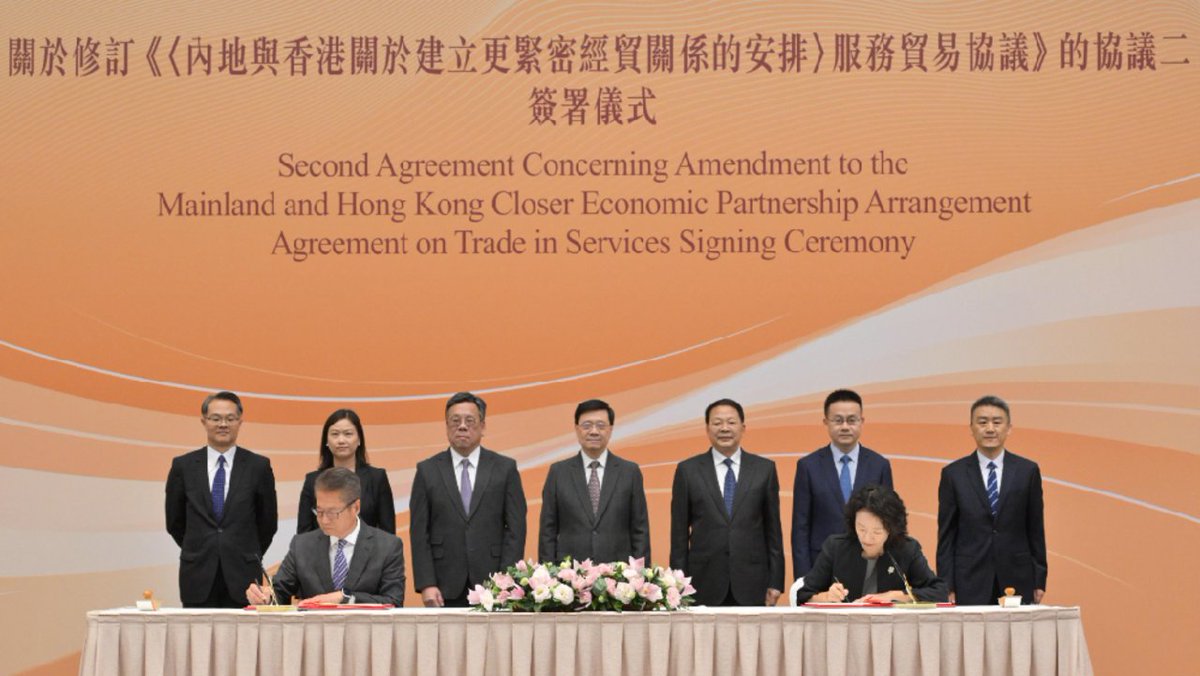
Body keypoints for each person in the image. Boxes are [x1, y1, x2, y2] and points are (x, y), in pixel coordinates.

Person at [409, 392, 527, 607]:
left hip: (493, 582)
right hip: (443, 585)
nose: (462, 426)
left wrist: (507, 579)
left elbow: (516, 529)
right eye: (455, 421)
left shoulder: (504, 468)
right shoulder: (427, 471)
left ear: (483, 426)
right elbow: (419, 532)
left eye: (469, 421)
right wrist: (427, 583)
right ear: (446, 426)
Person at [165, 391, 278, 607]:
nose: (223, 424)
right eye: (216, 418)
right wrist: (201, 548)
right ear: (204, 421)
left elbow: (267, 523)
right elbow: (175, 522)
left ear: (240, 422)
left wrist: (244, 551)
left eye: (230, 418)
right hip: (197, 574)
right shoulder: (183, 466)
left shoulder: (258, 466)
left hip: (244, 575)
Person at [670, 398, 785, 606]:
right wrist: (677, 583)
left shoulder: (764, 469)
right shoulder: (688, 470)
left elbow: (773, 531)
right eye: (717, 423)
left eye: (731, 422)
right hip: (702, 582)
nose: (724, 428)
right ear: (707, 429)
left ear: (743, 427)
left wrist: (776, 581)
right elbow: (678, 536)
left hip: (753, 581)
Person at [937, 395, 1047, 605]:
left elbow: (1035, 528)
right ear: (971, 428)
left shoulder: (1027, 471)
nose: (990, 429)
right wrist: (946, 584)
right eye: (982, 422)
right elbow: (947, 536)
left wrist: (1039, 578)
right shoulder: (953, 474)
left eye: (997, 422)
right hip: (969, 579)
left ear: (1009, 428)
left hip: (1018, 577)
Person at [247, 467, 405, 606]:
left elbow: (393, 601)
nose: (324, 520)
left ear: (355, 507)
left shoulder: (388, 546)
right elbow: (279, 591)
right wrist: (265, 596)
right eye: (319, 511)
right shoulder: (302, 545)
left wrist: (345, 598)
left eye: (332, 513)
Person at [792, 389, 893, 578]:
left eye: (851, 420)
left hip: (870, 565)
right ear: (826, 422)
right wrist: (803, 579)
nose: (845, 427)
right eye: (838, 420)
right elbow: (800, 527)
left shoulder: (879, 465)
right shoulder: (808, 466)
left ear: (862, 421)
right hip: (821, 566)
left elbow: (888, 522)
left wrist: (887, 570)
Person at [538, 399, 651, 564]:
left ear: (610, 429)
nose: (594, 431)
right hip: (569, 573)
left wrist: (641, 573)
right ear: (577, 429)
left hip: (619, 574)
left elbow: (640, 530)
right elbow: (548, 531)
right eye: (587, 425)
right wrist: (548, 572)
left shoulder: (629, 472)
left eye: (601, 425)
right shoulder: (558, 472)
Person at [794, 485, 948, 604]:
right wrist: (827, 597)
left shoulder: (907, 549)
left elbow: (939, 592)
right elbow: (803, 594)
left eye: (877, 531)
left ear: (892, 528)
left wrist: (897, 596)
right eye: (861, 529)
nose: (867, 538)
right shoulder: (835, 547)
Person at [296, 409, 395, 535]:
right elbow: (303, 535)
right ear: (326, 441)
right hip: (324, 547)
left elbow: (388, 534)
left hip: (367, 547)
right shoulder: (312, 481)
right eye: (335, 434)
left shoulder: (377, 478)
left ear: (359, 440)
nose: (341, 440)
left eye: (348, 434)